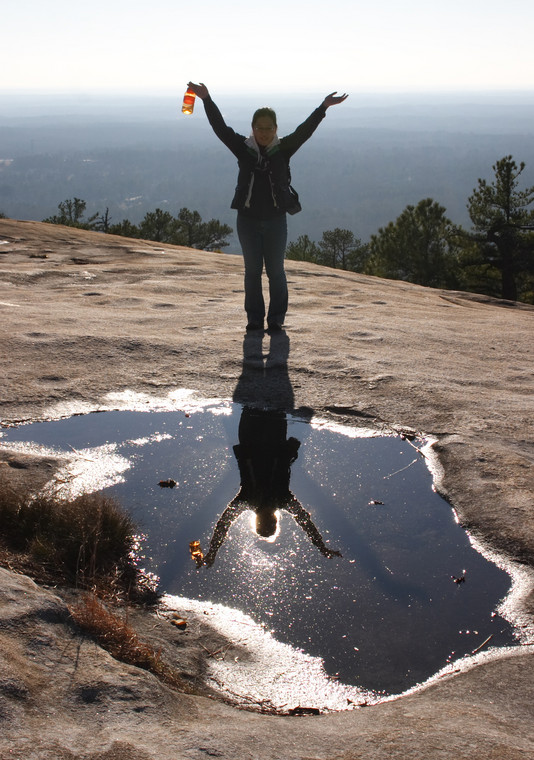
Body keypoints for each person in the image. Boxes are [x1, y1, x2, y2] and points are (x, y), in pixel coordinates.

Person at [186, 82, 348, 333]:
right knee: (252, 272)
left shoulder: (283, 149)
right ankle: (254, 319)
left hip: (275, 221)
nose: (263, 132)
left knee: (276, 272)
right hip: (248, 221)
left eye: (268, 128)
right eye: (259, 128)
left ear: (275, 129)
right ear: (252, 128)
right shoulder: (243, 148)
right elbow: (220, 128)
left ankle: (276, 320)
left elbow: (304, 131)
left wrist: (323, 107)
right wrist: (206, 99)